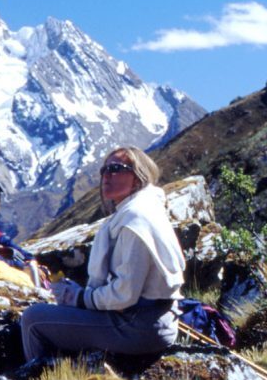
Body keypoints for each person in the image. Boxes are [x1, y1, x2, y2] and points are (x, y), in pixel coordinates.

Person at [20, 146, 185, 360]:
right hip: (147, 320)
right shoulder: (142, 210)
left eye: (116, 169)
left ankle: (34, 377)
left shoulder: (135, 221)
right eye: (104, 170)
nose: (106, 175)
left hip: (137, 326)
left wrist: (79, 298)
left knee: (33, 319)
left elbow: (125, 294)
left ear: (137, 177)